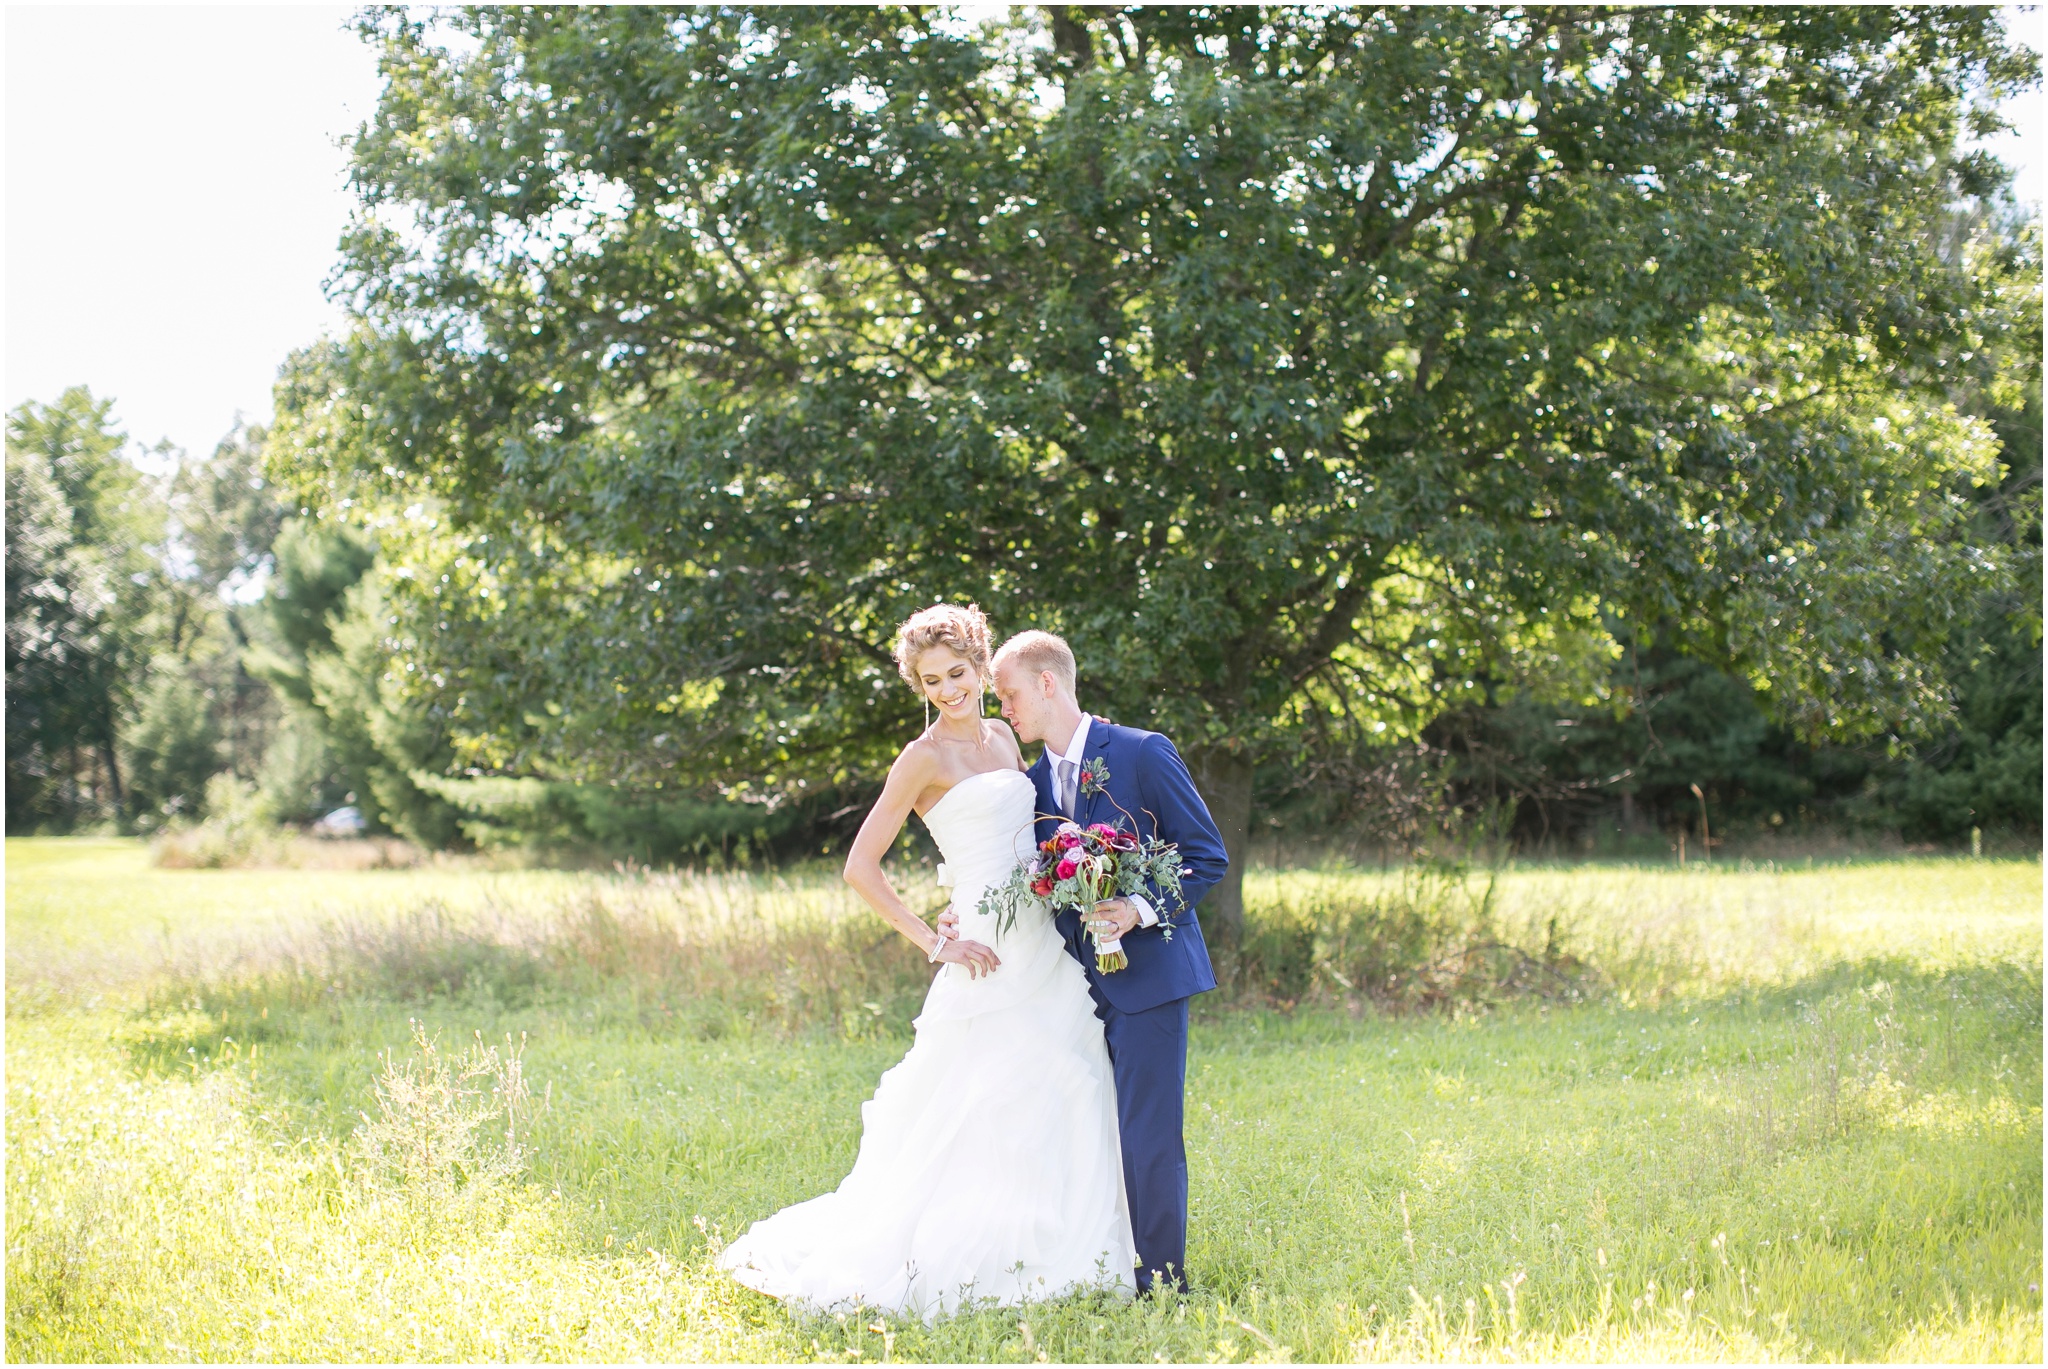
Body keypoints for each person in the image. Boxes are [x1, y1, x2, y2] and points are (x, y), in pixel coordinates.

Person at [716, 604, 1137, 1321]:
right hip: (983, 948)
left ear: (980, 663)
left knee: (1065, 1081)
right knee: (984, 1096)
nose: (946, 690)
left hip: (1041, 935)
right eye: (930, 680)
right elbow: (860, 867)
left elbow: (1032, 834)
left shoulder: (1006, 735)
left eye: (957, 674)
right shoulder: (922, 758)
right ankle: (970, 1251)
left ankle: (1068, 1245)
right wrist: (934, 938)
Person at [947, 629, 1229, 1295]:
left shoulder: (1140, 752)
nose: (1004, 708)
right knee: (1076, 1125)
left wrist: (1138, 904)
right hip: (1068, 985)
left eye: (1010, 693)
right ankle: (1088, 1263)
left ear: (1048, 683)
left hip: (1150, 980)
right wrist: (961, 913)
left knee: (1147, 1132)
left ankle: (1163, 1280)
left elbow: (1206, 853)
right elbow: (1019, 874)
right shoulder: (1030, 784)